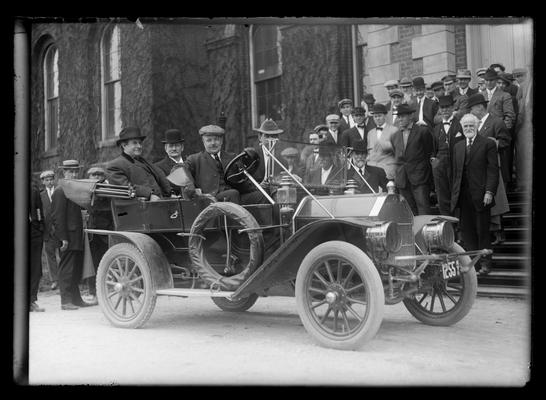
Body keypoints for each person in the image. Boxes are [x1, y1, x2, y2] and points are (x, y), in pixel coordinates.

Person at [451, 113, 499, 275]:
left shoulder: (487, 144)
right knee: (467, 231)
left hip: (481, 195)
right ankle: (474, 265)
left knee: (482, 231)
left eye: (472, 125)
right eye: (466, 126)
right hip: (463, 197)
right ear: (462, 128)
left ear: (477, 126)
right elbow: (455, 173)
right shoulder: (457, 147)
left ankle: (486, 263)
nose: (469, 128)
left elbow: (493, 170)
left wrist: (489, 191)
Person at [467, 93, 511, 246]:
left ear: (480, 107)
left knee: (497, 201)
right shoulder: (475, 124)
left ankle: (500, 233)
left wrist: (495, 143)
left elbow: (506, 141)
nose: (470, 112)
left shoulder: (496, 122)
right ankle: (491, 233)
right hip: (480, 170)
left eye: (472, 108)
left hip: (494, 167)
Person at [51, 160, 94, 310]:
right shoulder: (60, 191)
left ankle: (76, 299)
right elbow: (57, 217)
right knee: (66, 268)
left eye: (76, 171)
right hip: (67, 237)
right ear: (64, 173)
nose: (74, 174)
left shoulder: (74, 190)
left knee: (75, 268)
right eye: (70, 171)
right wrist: (62, 238)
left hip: (76, 236)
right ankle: (65, 301)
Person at [390, 103, 433, 215]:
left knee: (423, 208)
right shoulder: (395, 136)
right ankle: (411, 232)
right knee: (407, 210)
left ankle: (424, 231)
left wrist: (424, 173)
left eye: (403, 116)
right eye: (399, 117)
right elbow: (398, 156)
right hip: (402, 179)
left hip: (419, 177)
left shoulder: (422, 131)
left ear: (411, 116)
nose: (400, 119)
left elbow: (428, 152)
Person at [107, 127, 172, 200]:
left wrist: (169, 194)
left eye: (140, 143)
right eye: (135, 143)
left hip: (160, 202)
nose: (139, 146)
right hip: (137, 207)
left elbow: (159, 178)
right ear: (124, 145)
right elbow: (125, 188)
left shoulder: (143, 161)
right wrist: (149, 194)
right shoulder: (116, 165)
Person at [183, 124, 243, 203]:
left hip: (236, 195)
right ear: (203, 142)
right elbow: (179, 168)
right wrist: (189, 184)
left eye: (216, 139)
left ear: (221, 141)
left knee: (260, 195)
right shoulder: (194, 159)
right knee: (233, 193)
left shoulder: (232, 157)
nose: (213, 143)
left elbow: (243, 176)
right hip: (211, 199)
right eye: (209, 140)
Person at [430, 95, 464, 216]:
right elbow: (433, 150)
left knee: (457, 194)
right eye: (442, 108)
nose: (445, 110)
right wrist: (435, 164)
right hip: (440, 167)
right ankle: (448, 225)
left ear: (453, 107)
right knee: (442, 197)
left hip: (456, 164)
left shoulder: (460, 125)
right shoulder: (436, 128)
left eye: (447, 107)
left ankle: (460, 225)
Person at [83, 166, 113, 305]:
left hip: (105, 233)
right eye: (92, 176)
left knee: (106, 262)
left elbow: (109, 211)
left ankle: (107, 292)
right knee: (92, 263)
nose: (95, 178)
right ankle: (94, 293)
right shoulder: (87, 191)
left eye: (98, 175)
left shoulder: (107, 190)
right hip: (91, 234)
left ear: (102, 177)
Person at [366, 103, 398, 181]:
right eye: (375, 116)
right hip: (372, 170)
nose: (377, 118)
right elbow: (369, 152)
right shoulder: (370, 133)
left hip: (388, 170)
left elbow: (399, 151)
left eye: (380, 116)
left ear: (385, 116)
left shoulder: (394, 130)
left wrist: (387, 145)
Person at [39, 169, 59, 290]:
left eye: (51, 179)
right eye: (47, 180)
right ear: (43, 182)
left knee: (62, 254)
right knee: (50, 255)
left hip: (59, 229)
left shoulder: (59, 192)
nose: (50, 182)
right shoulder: (41, 195)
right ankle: (55, 280)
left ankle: (64, 277)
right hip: (47, 230)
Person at [154, 129, 186, 195]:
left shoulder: (190, 163)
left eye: (177, 145)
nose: (174, 149)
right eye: (171, 146)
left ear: (182, 147)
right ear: (166, 148)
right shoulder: (158, 167)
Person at [29, 180, 45, 312]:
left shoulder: (33, 187)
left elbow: (39, 209)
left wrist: (40, 225)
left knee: (35, 268)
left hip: (34, 233)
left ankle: (31, 300)